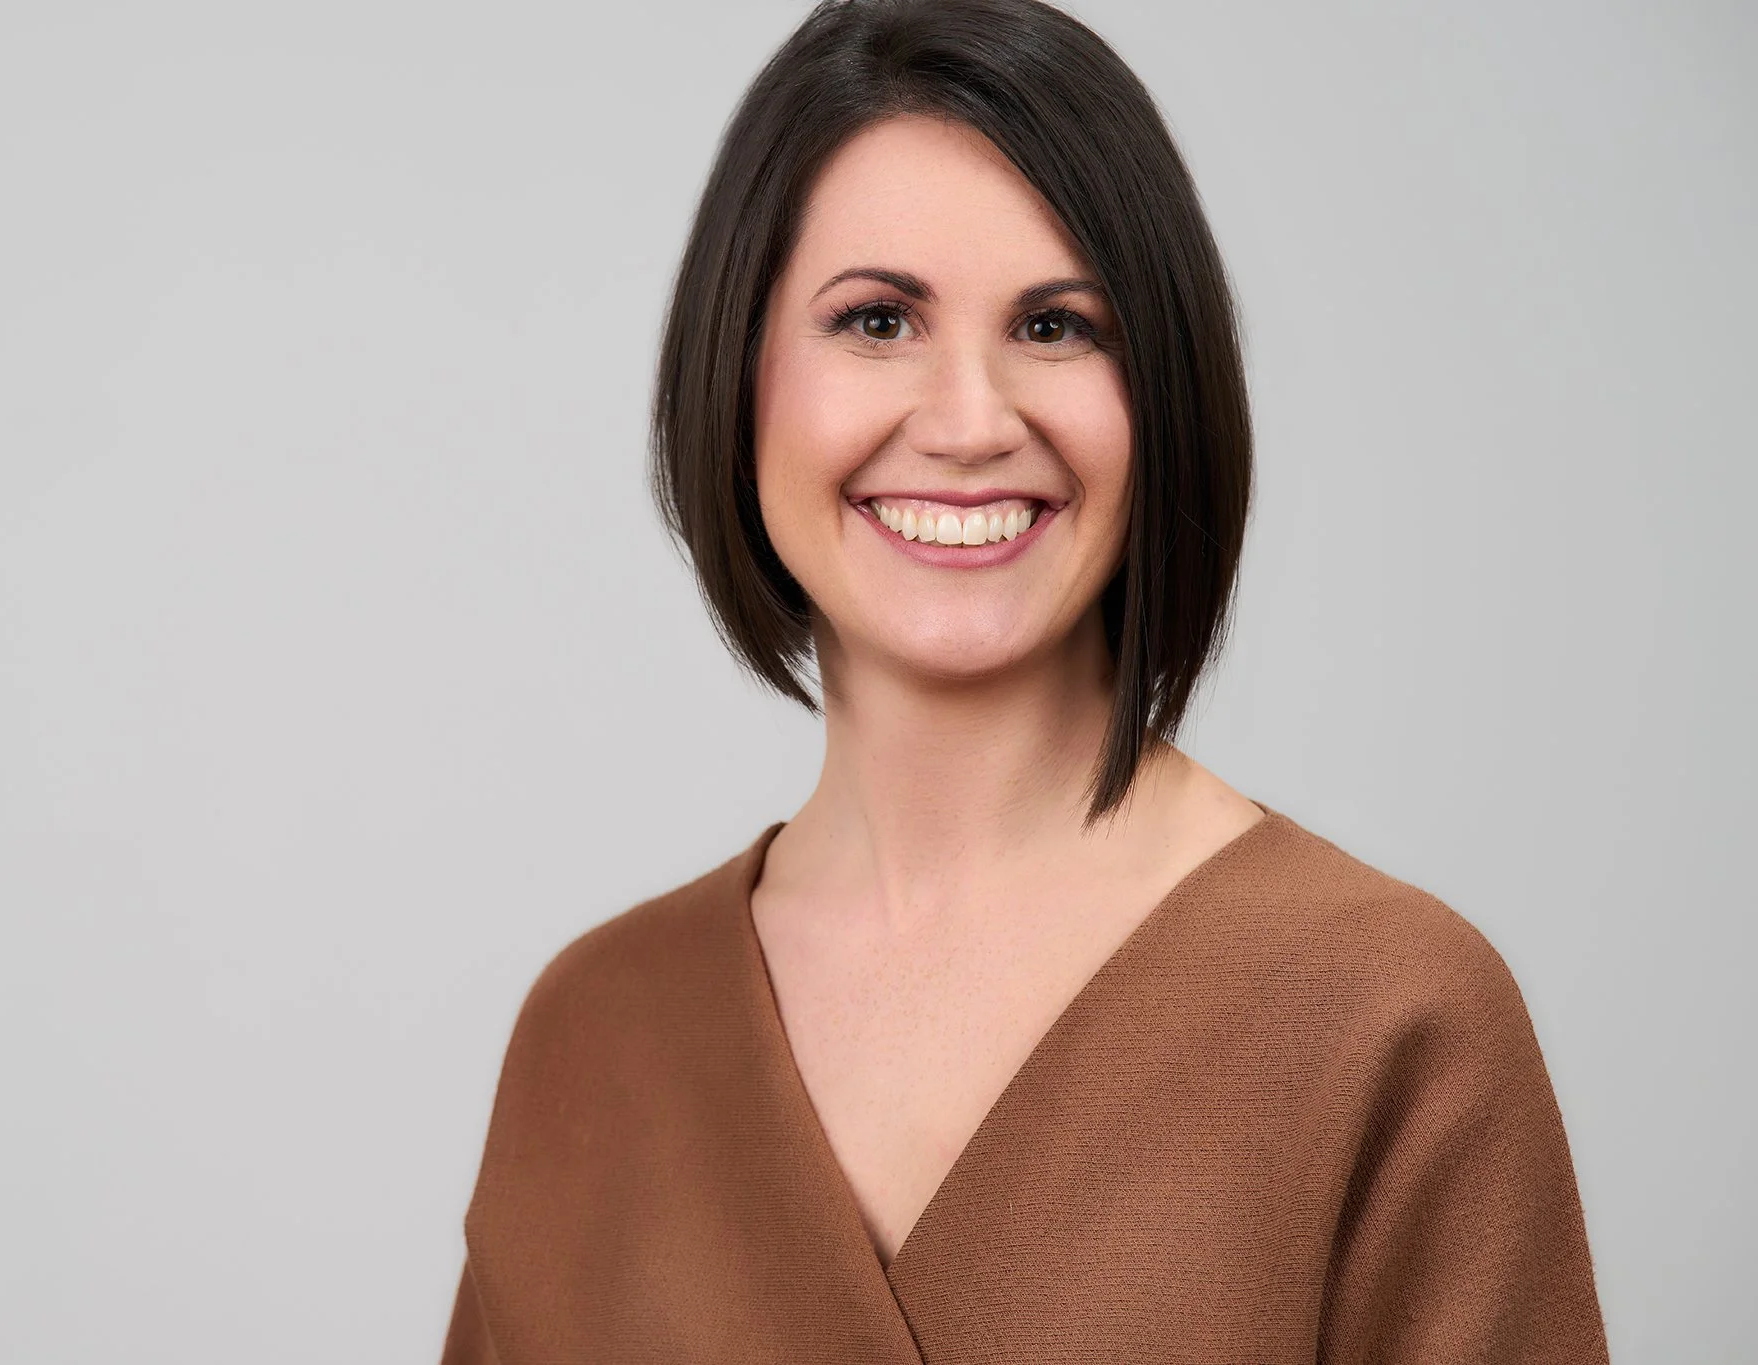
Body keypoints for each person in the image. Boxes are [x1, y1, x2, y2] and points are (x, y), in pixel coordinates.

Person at [440, 1, 1608, 1359]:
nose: (970, 421)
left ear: (1159, 387)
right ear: (738, 370)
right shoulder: (596, 1033)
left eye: (1057, 327)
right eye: (876, 320)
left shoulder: (1386, 1016)